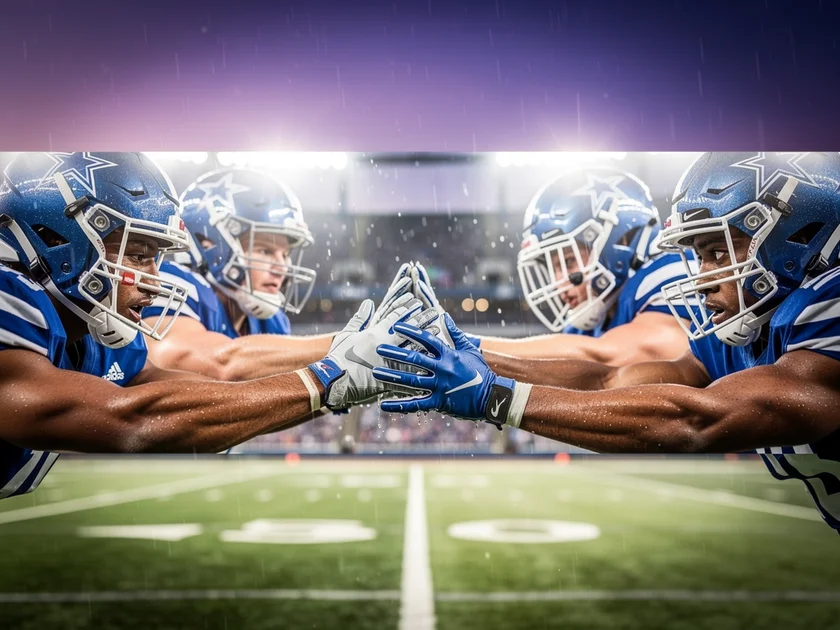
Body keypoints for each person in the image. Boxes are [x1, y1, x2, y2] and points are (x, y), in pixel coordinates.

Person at [375, 152, 840, 530]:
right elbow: (611, 381)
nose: (702, 279)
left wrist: (498, 399)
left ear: (800, 239)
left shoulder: (828, 301)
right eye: (698, 256)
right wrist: (477, 357)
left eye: (718, 251)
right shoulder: (737, 336)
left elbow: (700, 420)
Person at [0, 152, 435, 499]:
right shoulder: (10, 295)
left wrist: (338, 384)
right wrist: (327, 377)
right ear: (55, 239)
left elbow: (198, 405)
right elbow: (128, 420)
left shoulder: (105, 341)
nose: (154, 282)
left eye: (158, 257)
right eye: (137, 255)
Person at [418, 168, 694, 369]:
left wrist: (460, 345)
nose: (560, 282)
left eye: (570, 261)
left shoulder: (669, 271)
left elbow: (634, 356)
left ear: (622, 240)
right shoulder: (594, 322)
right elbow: (551, 365)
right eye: (553, 268)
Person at [141, 167, 335, 380]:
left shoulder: (271, 322)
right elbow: (201, 361)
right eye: (265, 251)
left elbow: (275, 400)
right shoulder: (172, 281)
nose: (282, 268)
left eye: (285, 254)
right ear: (210, 243)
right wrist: (340, 347)